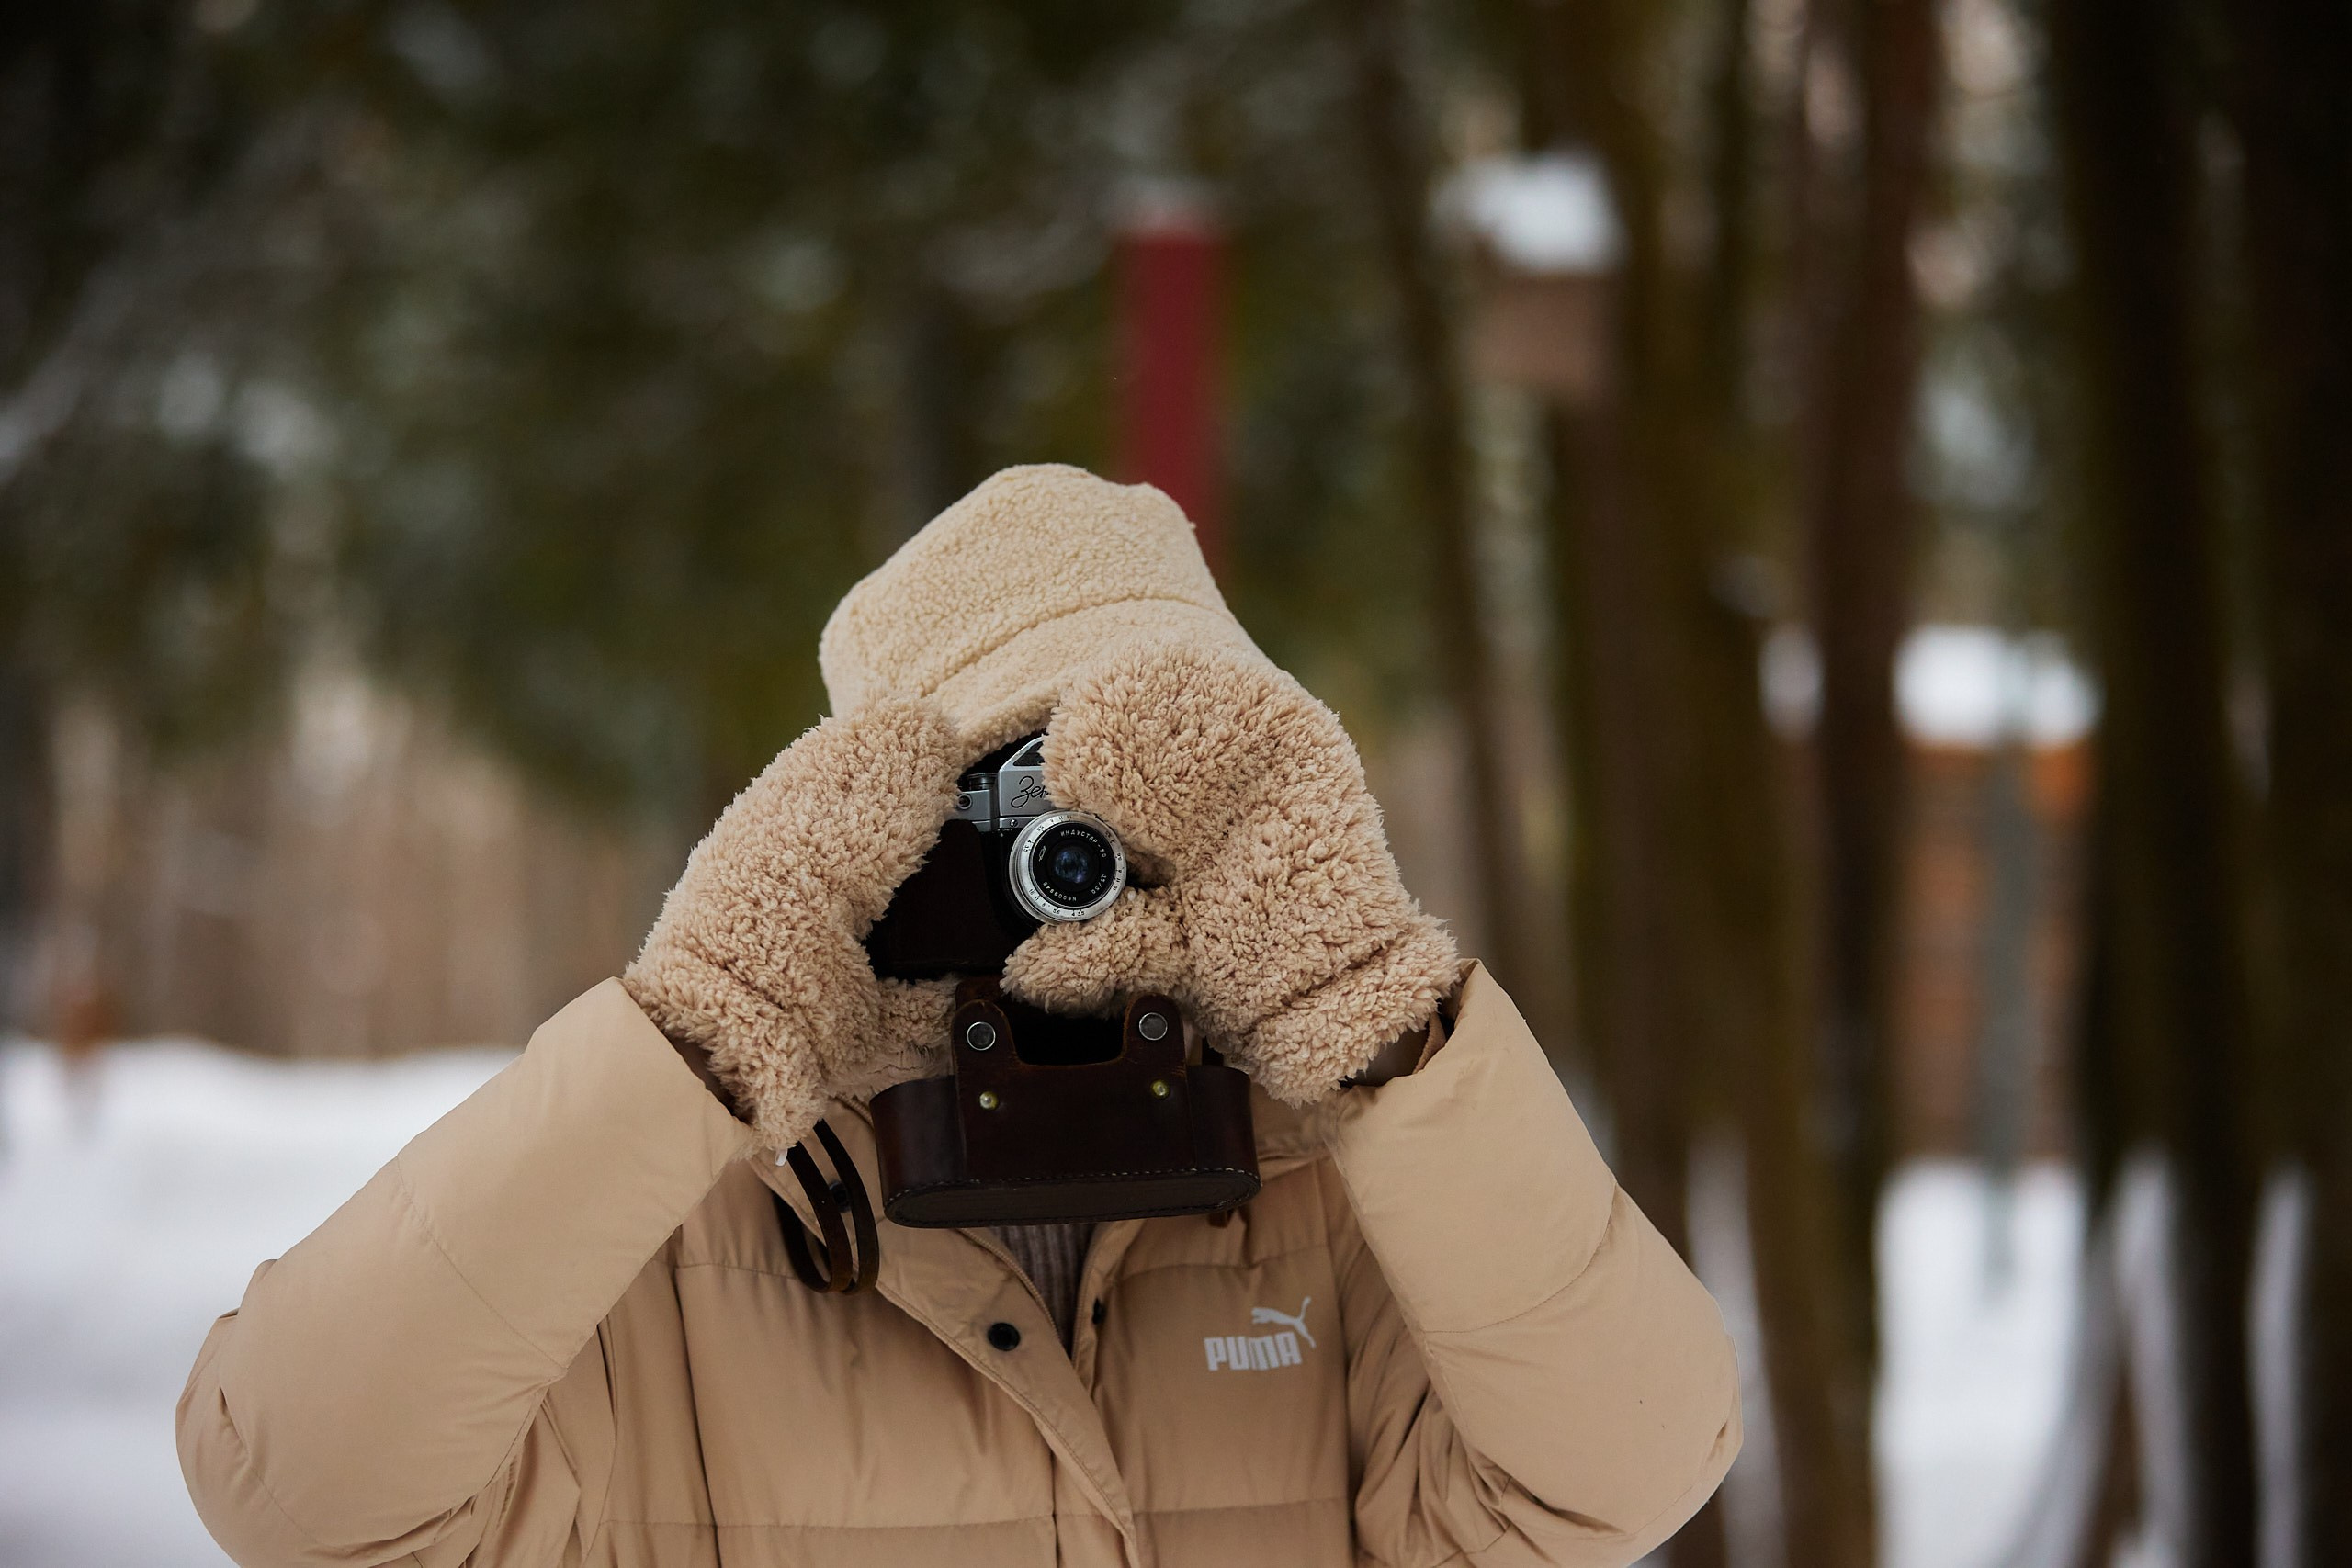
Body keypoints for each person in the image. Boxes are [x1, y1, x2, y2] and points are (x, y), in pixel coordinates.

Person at [177, 466, 1739, 1568]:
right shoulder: (665, 1222)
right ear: (880, 833)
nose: (1074, 882)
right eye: (1011, 819)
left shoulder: (1348, 1195)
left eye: (1144, 818)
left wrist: (1375, 1016)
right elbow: (297, 1496)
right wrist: (697, 1041)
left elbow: (1622, 1478)